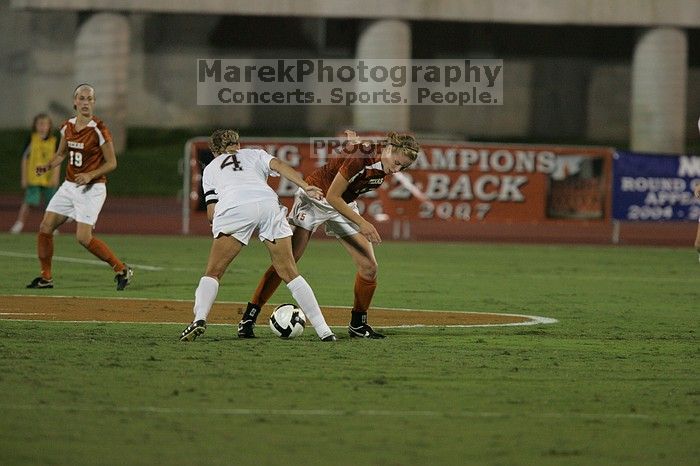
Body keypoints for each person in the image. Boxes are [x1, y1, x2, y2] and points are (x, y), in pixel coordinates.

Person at [237, 130, 420, 339]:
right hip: (316, 198)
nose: (396, 169)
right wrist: (362, 223)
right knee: (288, 261)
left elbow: (362, 152)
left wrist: (354, 144)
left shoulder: (381, 155)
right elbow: (333, 196)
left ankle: (358, 324)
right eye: (396, 162)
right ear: (389, 149)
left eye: (403, 167)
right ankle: (249, 317)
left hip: (343, 205)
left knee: (369, 268)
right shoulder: (361, 158)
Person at [179, 129, 336, 342]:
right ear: (238, 144)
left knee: (213, 272)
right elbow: (280, 166)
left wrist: (222, 227)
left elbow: (211, 213)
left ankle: (199, 318)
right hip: (268, 204)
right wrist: (306, 186)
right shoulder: (255, 153)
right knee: (290, 272)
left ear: (215, 150)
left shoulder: (211, 168)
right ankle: (324, 330)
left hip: (235, 207)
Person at [26, 84, 133, 291]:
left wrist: (90, 175)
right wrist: (47, 166)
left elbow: (112, 162)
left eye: (89, 99)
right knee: (45, 227)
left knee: (83, 238)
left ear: (93, 102)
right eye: (81, 98)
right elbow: (61, 154)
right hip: (69, 186)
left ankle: (121, 269)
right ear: (74, 102)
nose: (85, 102)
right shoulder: (67, 127)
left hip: (92, 189)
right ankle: (46, 278)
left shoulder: (99, 129)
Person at [10, 114, 60, 234]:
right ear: (35, 125)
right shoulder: (31, 139)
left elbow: (58, 160)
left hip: (48, 178)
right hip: (34, 177)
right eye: (40, 124)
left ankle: (52, 226)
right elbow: (25, 159)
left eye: (45, 124)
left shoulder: (54, 141)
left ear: (49, 126)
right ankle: (19, 223)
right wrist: (24, 177)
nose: (42, 127)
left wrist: (55, 177)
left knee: (52, 204)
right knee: (29, 202)